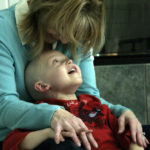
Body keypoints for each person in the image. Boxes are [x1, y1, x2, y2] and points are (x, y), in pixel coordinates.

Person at [0, 0, 149, 149]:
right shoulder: (4, 29)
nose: (66, 41)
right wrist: (54, 116)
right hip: (30, 135)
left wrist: (123, 113)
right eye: (62, 27)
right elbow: (4, 105)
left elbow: (90, 96)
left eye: (73, 33)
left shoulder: (77, 28)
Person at [3, 50, 146, 150]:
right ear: (42, 85)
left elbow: (126, 132)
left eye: (67, 59)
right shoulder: (41, 110)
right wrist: (48, 133)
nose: (69, 60)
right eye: (56, 61)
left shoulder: (93, 104)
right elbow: (14, 142)